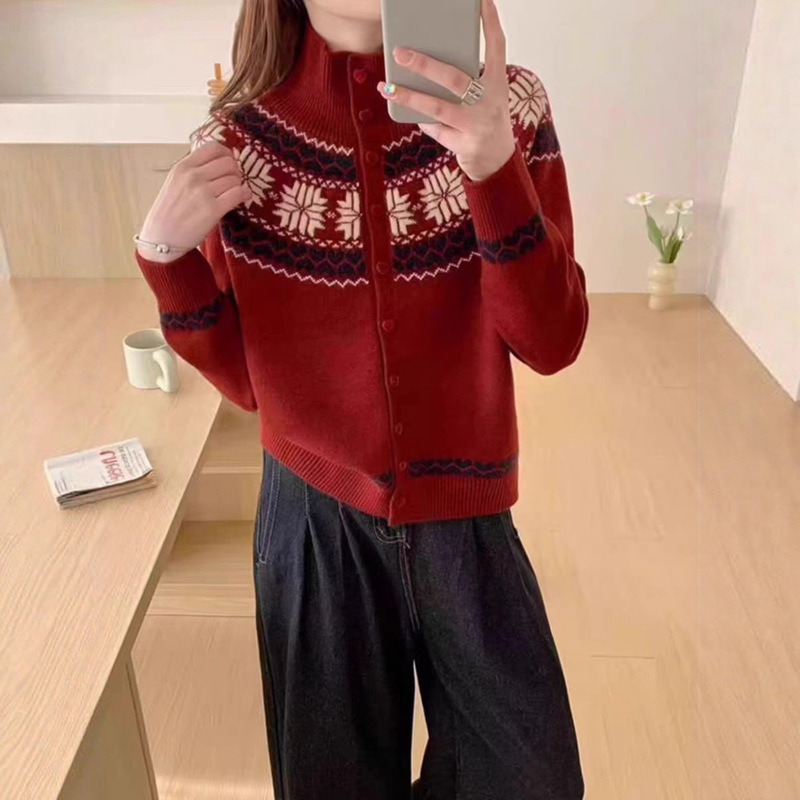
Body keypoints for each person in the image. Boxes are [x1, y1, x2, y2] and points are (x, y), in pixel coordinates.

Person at [134, 0, 588, 796]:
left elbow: (552, 341)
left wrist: (493, 171)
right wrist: (165, 258)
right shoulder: (240, 142)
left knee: (530, 778)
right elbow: (249, 385)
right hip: (313, 523)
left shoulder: (506, 106)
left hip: (468, 514)